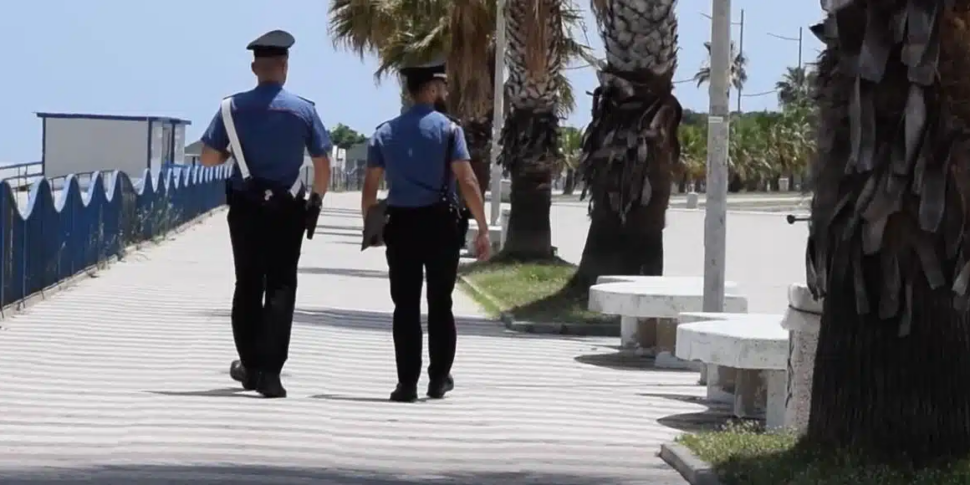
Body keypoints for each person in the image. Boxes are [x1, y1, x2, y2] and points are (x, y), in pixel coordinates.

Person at [199, 29, 332, 398]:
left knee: (247, 283)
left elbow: (209, 157)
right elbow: (322, 164)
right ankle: (272, 372)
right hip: (288, 209)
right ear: (285, 67)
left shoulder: (231, 108)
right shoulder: (304, 110)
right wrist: (315, 202)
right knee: (281, 284)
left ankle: (251, 366)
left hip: (245, 206)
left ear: (255, 67)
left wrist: (229, 156)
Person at [362, 59, 491, 403]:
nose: (445, 91)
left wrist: (372, 226)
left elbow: (370, 187)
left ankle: (406, 384)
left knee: (404, 305)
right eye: (442, 86)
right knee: (440, 302)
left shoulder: (384, 132)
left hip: (401, 224)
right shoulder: (450, 131)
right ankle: (438, 379)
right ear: (431, 89)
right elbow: (466, 179)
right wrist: (482, 227)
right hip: (441, 224)